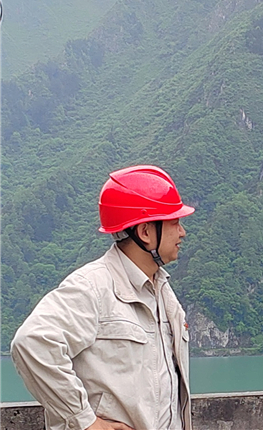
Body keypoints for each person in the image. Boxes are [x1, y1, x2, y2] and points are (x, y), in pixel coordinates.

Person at [11, 165, 195, 430]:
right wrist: (86, 422)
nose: (182, 232)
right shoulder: (93, 286)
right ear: (145, 232)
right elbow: (32, 343)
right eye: (174, 222)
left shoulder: (162, 291)